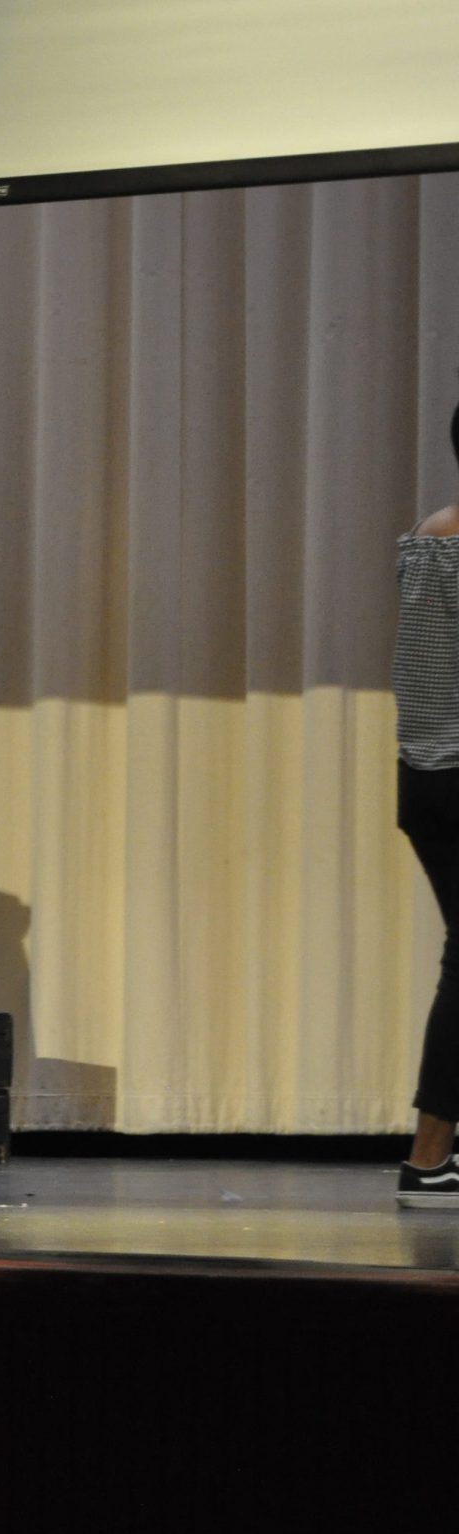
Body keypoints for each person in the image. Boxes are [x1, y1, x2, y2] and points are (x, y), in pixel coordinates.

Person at [394, 399, 459, 1206]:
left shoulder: (434, 533)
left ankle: (434, 1153)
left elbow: (421, 683)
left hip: (429, 774)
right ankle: (429, 1153)